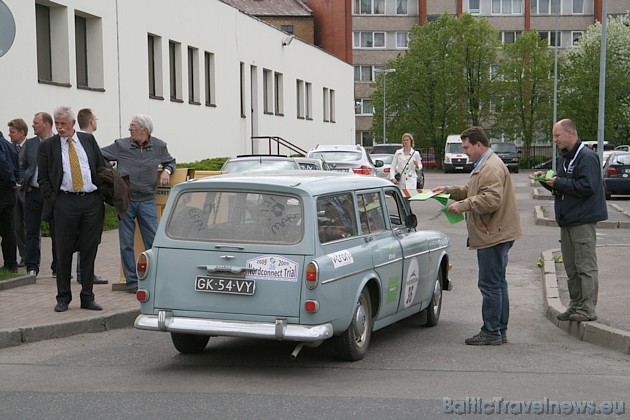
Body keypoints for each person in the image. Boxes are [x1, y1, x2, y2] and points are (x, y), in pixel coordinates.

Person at [434, 127, 522, 345]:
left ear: (478, 145)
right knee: (498, 283)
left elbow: (491, 199)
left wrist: (463, 205)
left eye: (466, 148)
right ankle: (498, 330)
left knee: (490, 285)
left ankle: (491, 332)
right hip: (496, 231)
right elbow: (472, 189)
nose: (465, 152)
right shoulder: (485, 164)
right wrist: (449, 190)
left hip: (492, 233)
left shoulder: (490, 167)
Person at [535, 119, 607, 322]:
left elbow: (588, 187)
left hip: (582, 220)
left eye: (557, 135)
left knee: (585, 266)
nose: (555, 139)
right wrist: (547, 181)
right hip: (567, 220)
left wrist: (559, 181)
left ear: (570, 133)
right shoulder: (565, 158)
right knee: (572, 267)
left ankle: (587, 309)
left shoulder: (587, 157)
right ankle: (575, 305)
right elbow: (564, 186)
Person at [38, 106, 106, 312]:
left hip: (91, 201)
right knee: (63, 251)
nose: (59, 128)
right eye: (57, 124)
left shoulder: (87, 140)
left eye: (63, 124)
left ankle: (87, 296)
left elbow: (101, 167)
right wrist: (55, 200)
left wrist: (103, 193)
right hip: (65, 202)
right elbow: (43, 179)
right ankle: (63, 297)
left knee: (89, 250)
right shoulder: (48, 147)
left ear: (73, 124)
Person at [101, 114, 175, 293]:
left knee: (153, 240)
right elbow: (99, 154)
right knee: (126, 243)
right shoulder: (121, 145)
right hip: (125, 200)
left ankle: (154, 278)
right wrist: (109, 171)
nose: (129, 129)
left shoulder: (159, 146)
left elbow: (170, 161)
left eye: (133, 126)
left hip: (147, 200)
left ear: (144, 130)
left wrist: (166, 170)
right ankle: (132, 282)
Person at [75, 108, 107, 285]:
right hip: (88, 197)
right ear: (91, 122)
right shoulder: (87, 140)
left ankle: (83, 271)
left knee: (83, 236)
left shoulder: (78, 140)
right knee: (88, 236)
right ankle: (84, 272)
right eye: (96, 118)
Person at [31, 112, 58, 276]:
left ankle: (57, 267)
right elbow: (22, 163)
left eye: (36, 122)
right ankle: (32, 266)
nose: (33, 125)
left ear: (46, 124)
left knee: (57, 231)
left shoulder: (58, 143)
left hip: (52, 194)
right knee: (31, 231)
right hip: (32, 192)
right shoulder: (31, 144)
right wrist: (24, 182)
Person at [7, 118, 28, 267]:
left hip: (28, 191)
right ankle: (24, 256)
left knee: (30, 225)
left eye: (12, 132)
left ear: (21, 132)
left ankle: (33, 256)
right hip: (15, 192)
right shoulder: (10, 148)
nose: (10, 135)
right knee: (18, 226)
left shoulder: (32, 146)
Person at [0, 131, 19, 272]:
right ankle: (11, 264)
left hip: (2, 187)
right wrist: (15, 181)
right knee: (9, 229)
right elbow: (17, 166)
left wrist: (10, 180)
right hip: (10, 192)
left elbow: (3, 164)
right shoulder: (10, 145)